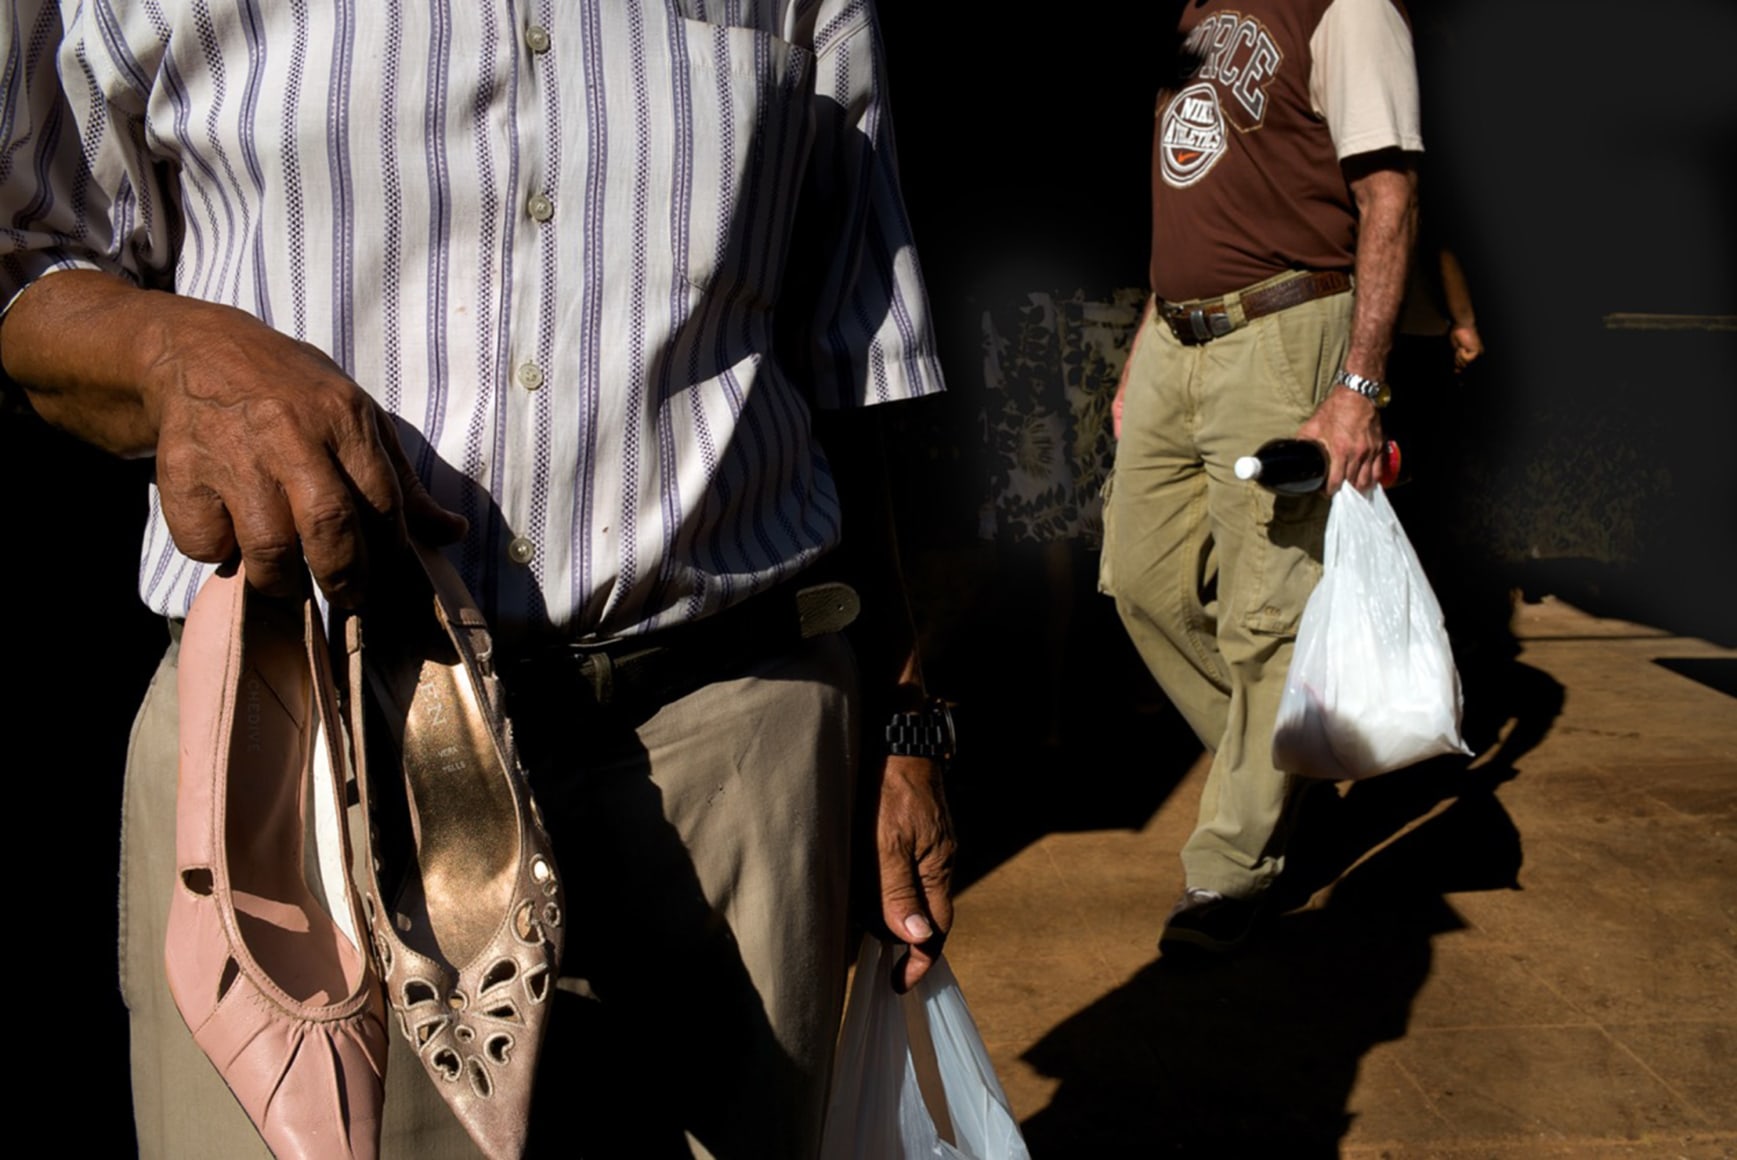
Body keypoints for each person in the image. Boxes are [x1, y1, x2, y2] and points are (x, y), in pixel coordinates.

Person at [0, 3, 954, 1157]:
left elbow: (865, 360)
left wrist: (909, 722)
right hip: (309, 756)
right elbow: (27, 270)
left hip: (737, 735)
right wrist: (173, 352)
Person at [1102, 0, 1423, 956]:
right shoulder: (1191, 15)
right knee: (1139, 581)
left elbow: (1389, 199)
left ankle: (1232, 868)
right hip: (1176, 333)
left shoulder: (1346, 9)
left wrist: (1357, 387)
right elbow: (1196, 196)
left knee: (1267, 614)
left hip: (1286, 330)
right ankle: (1289, 767)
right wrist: (1140, 346)